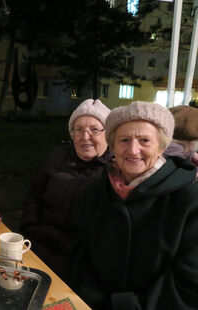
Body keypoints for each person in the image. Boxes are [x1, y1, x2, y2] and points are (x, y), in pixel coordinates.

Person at [70, 101, 198, 309]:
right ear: (112, 146)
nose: (133, 150)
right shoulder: (95, 190)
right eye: (124, 140)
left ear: (162, 147)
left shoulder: (189, 199)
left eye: (144, 140)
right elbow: (80, 250)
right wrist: (91, 296)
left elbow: (189, 283)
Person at [20, 99, 111, 282]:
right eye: (79, 129)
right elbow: (34, 196)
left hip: (81, 264)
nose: (85, 137)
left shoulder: (116, 170)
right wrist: (28, 229)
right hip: (38, 247)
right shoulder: (58, 157)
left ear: (108, 134)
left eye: (94, 129)